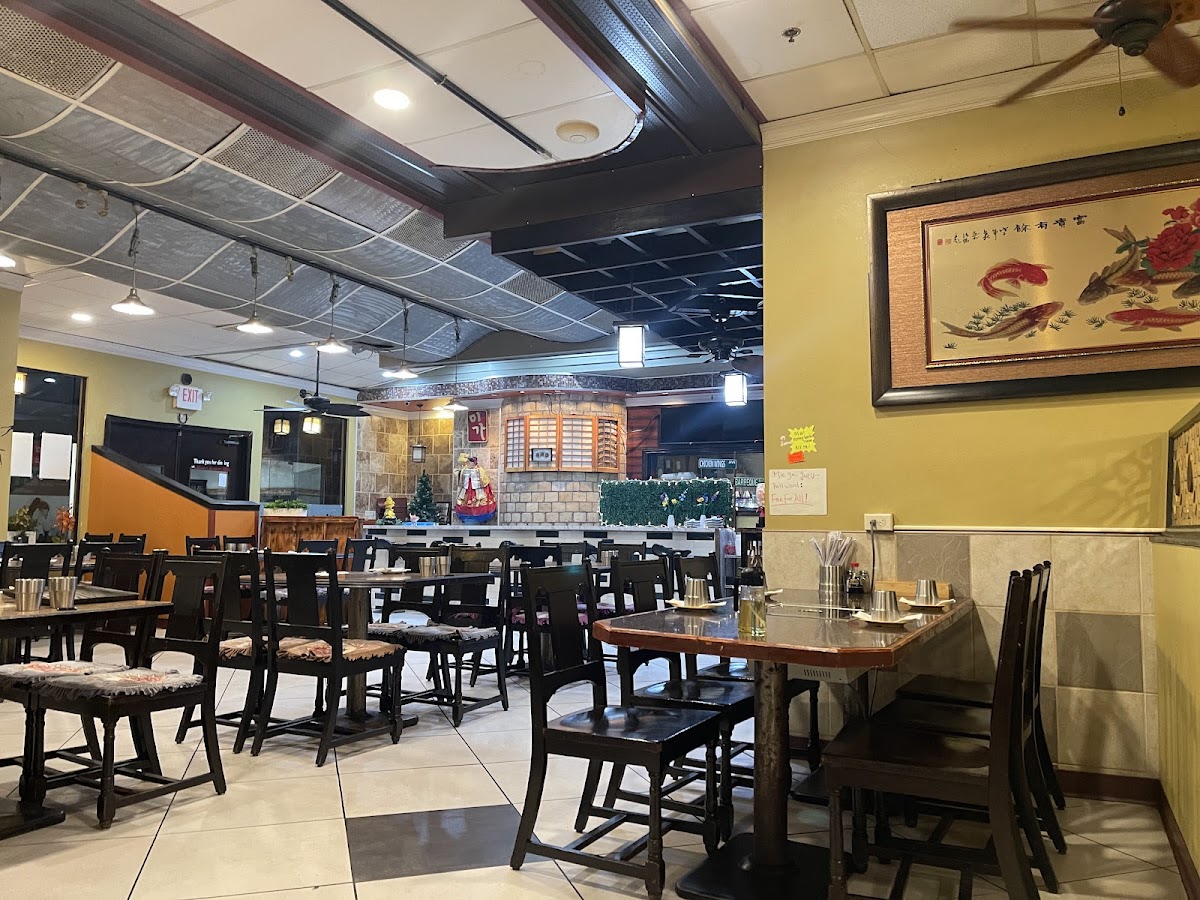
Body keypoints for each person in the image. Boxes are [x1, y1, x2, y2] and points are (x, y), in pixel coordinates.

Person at [455, 454, 497, 524]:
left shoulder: (479, 470)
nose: (471, 464)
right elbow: (460, 481)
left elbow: (485, 482)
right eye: (469, 462)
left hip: (478, 491)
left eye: (472, 462)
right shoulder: (464, 469)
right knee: (465, 502)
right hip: (466, 490)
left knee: (480, 502)